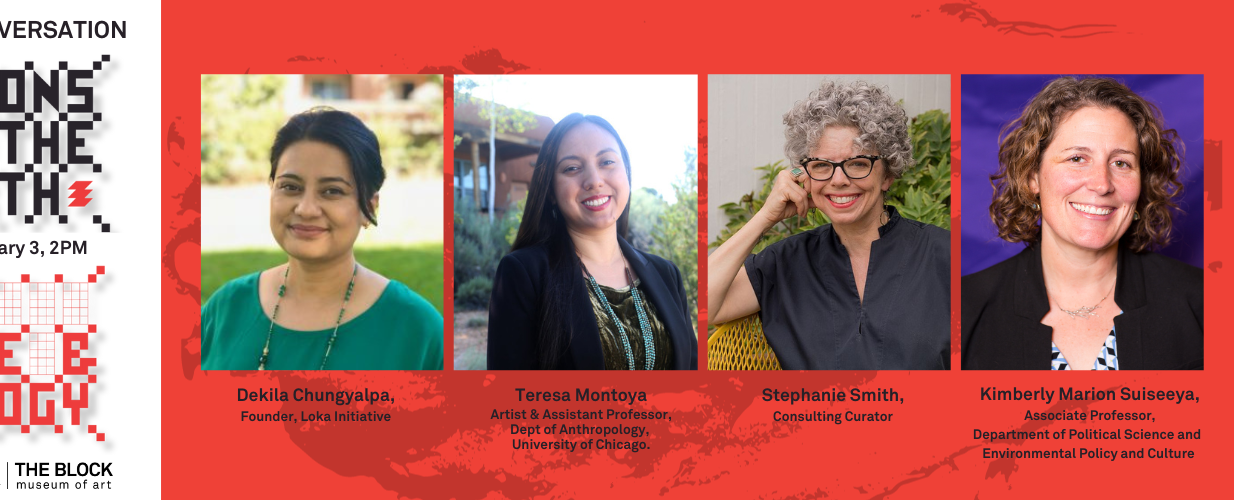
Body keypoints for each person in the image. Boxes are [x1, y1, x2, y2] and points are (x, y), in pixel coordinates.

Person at [962, 77, 1202, 370]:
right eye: (1077, 158)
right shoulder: (963, 308)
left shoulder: (1204, 301)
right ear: (1032, 177)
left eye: (1121, 163)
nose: (1102, 184)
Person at [707, 81, 950, 370]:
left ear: (888, 175)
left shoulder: (944, 255)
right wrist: (765, 217)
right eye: (822, 165)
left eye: (858, 163)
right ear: (804, 176)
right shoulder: (786, 262)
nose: (838, 180)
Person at [200, 108, 443, 370]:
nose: (305, 209)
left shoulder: (418, 329)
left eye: (332, 191)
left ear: (369, 208)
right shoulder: (225, 309)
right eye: (290, 187)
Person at [486, 114, 697, 370]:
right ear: (551, 191)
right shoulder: (523, 274)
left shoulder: (667, 274)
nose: (594, 180)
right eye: (572, 168)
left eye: (607, 162)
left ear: (627, 173)